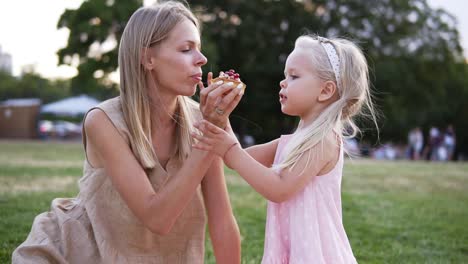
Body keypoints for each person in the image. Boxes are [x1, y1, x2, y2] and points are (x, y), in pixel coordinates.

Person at [13, 2, 242, 263]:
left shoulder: (202, 118)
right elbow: (157, 218)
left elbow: (222, 220)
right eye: (186, 49)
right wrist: (209, 133)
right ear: (147, 59)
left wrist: (211, 126)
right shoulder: (103, 121)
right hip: (77, 253)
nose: (202, 59)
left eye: (198, 49)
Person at [193, 35, 378, 263]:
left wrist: (229, 148)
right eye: (285, 75)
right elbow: (238, 158)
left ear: (325, 91)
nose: (283, 82)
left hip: (315, 254)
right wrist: (221, 117)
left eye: (294, 76)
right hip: (295, 248)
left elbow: (279, 189)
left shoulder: (322, 141)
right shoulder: (293, 141)